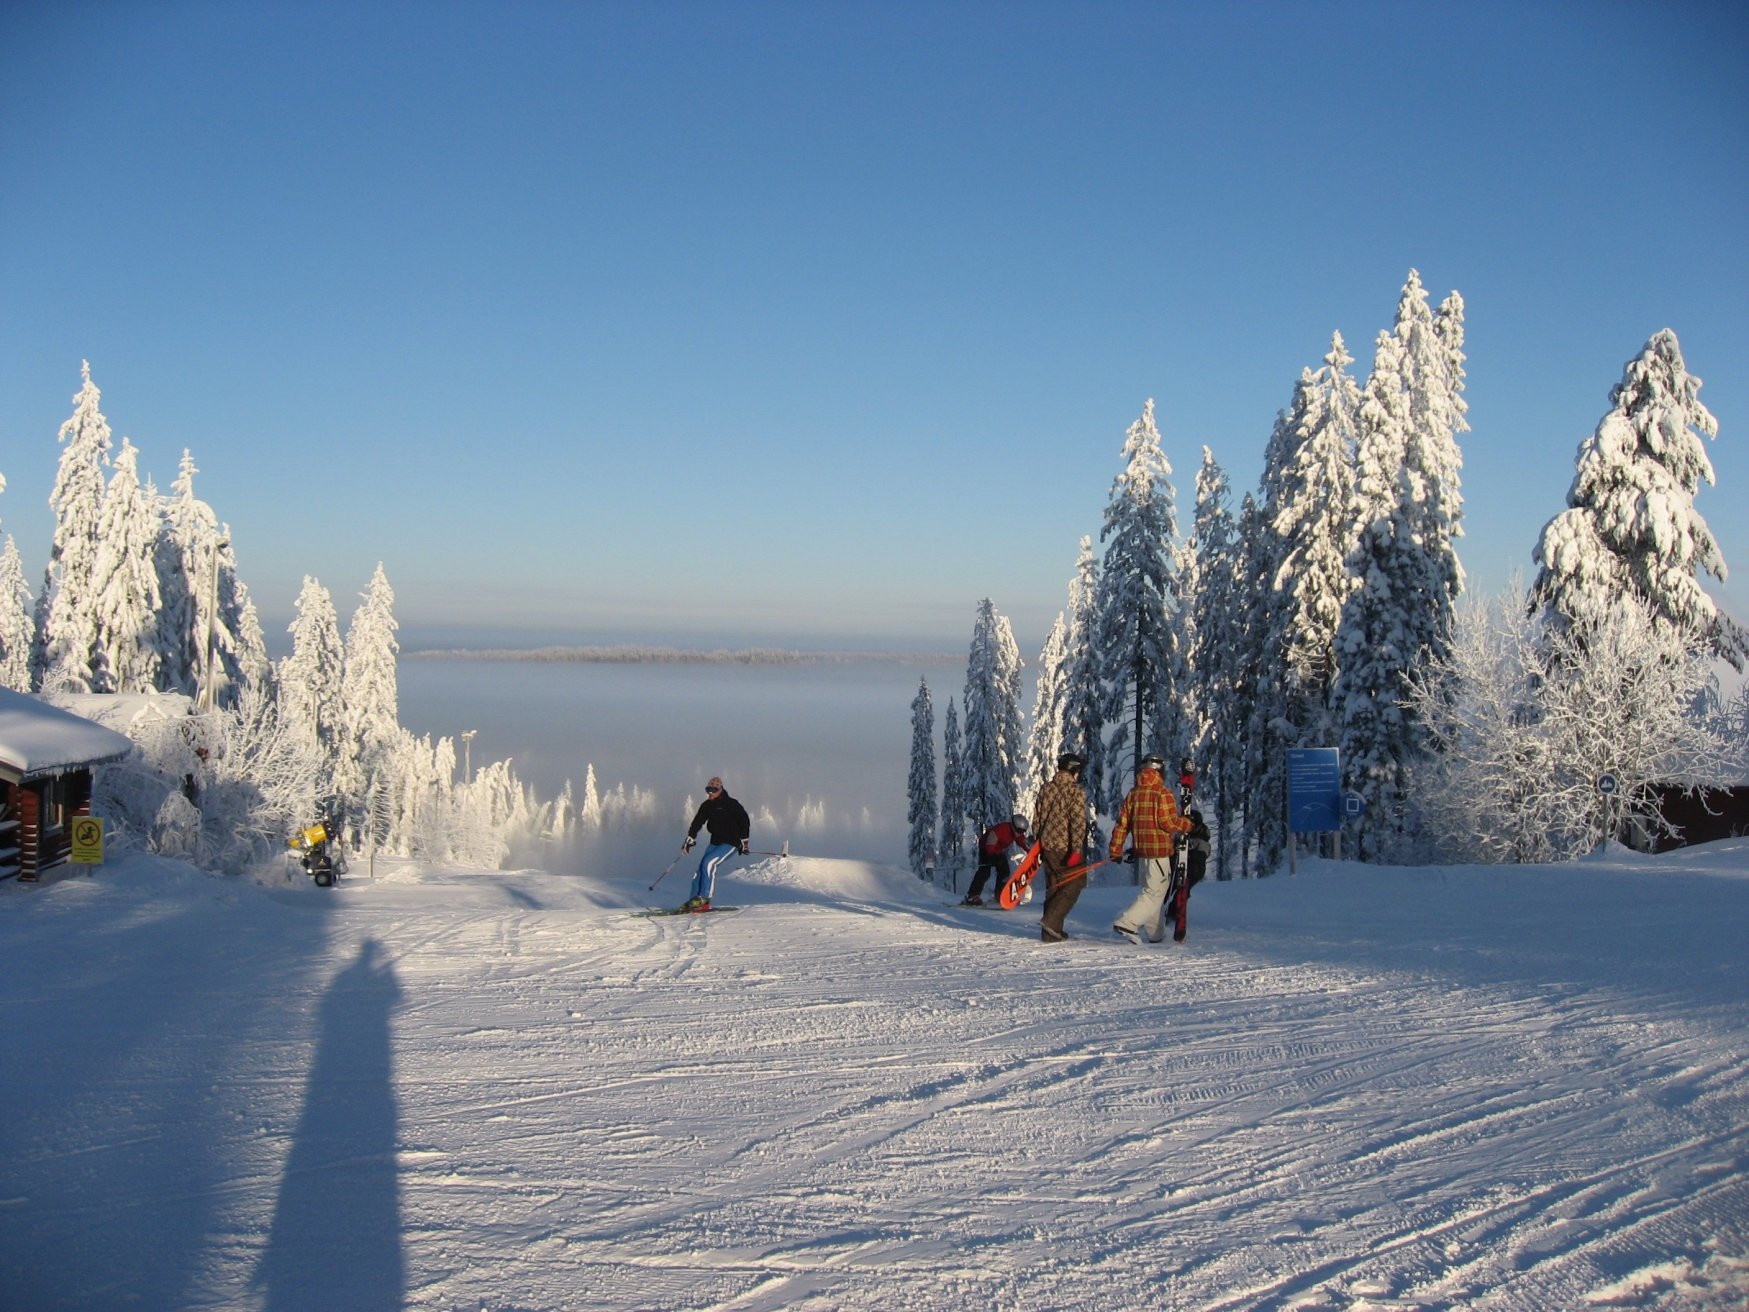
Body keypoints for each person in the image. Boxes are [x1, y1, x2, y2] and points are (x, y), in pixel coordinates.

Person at [1108, 754, 1194, 943]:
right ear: (1158, 771)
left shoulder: (1134, 794)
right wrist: (1188, 825)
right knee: (1154, 893)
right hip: (1159, 851)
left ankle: (1156, 935)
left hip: (1143, 852)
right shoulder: (1162, 793)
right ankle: (1128, 923)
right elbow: (1168, 822)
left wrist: (1116, 849)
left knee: (1155, 891)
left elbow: (1122, 824)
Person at [1035, 752, 1092, 942]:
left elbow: (1037, 818)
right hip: (1065, 846)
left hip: (1047, 845)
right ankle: (1052, 922)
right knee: (1076, 882)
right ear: (1074, 770)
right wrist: (1076, 850)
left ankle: (1050, 933)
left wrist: (1038, 844)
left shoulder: (1046, 788)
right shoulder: (1075, 791)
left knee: (1054, 885)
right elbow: (1077, 822)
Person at [679, 776, 751, 911]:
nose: (710, 792)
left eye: (714, 789)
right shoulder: (707, 805)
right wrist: (690, 839)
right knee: (700, 870)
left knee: (709, 863)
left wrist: (744, 842)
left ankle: (704, 897)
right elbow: (697, 822)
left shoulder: (732, 804)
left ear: (720, 789)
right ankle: (694, 901)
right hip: (715, 842)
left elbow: (744, 821)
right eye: (708, 789)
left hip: (731, 843)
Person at [961, 812, 1030, 906]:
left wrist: (1029, 850)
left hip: (997, 850)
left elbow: (1021, 841)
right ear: (1014, 826)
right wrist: (992, 857)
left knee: (1004, 871)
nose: (1020, 833)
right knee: (984, 871)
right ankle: (972, 896)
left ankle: (1000, 895)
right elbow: (989, 843)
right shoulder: (1002, 829)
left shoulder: (1016, 833)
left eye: (1022, 831)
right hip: (986, 848)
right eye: (1019, 831)